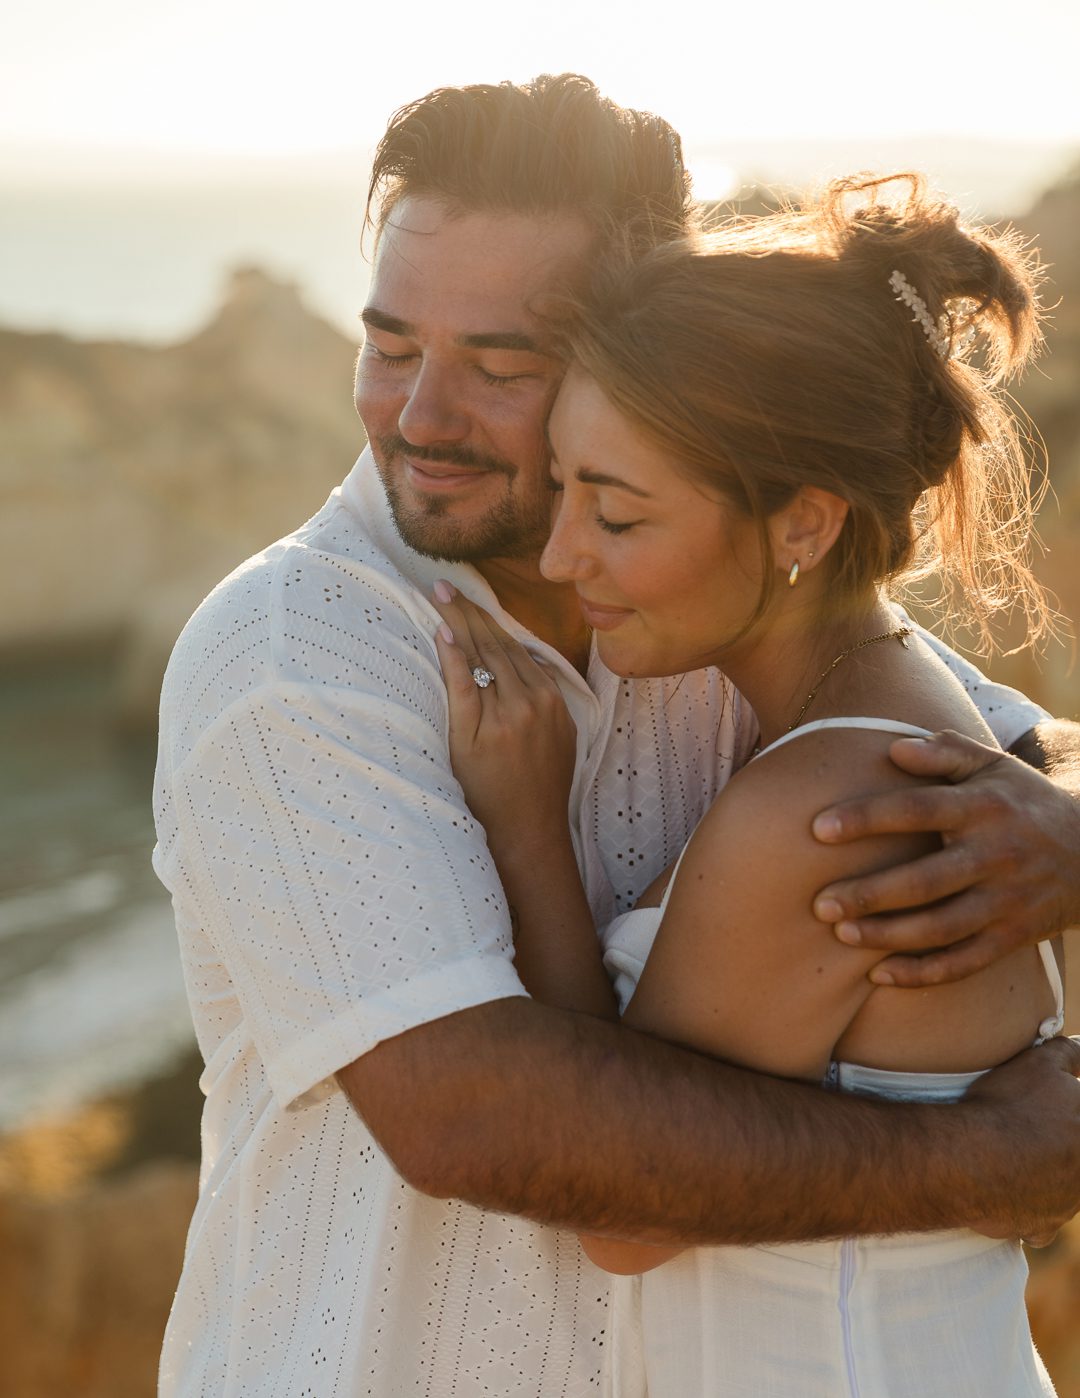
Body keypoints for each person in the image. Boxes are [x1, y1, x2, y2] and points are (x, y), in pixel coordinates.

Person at [152, 76, 1080, 1396]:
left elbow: (1003, 745)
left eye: (501, 366)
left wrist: (1069, 825)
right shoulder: (297, 653)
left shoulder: (704, 605)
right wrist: (976, 1161)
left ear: (632, 355)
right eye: (391, 347)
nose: (421, 418)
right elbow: (475, 1112)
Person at [430, 174, 1068, 1395]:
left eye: (618, 516)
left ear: (803, 526)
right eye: (562, 486)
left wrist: (526, 833)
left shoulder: (824, 808)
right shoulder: (928, 724)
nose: (561, 556)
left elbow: (624, 1211)